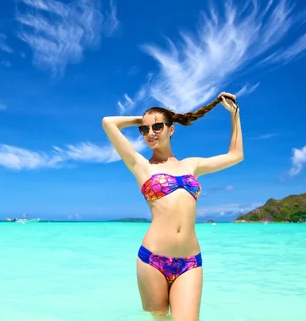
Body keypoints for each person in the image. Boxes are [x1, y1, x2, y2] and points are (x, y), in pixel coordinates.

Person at [102, 92, 243, 321]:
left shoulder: (192, 165)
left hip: (190, 261)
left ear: (171, 129)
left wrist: (234, 114)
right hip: (152, 260)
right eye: (145, 130)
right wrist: (146, 118)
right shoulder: (141, 166)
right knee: (160, 318)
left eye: (158, 127)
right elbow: (108, 122)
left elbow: (236, 155)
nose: (150, 133)